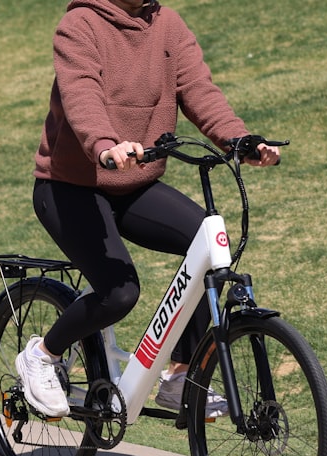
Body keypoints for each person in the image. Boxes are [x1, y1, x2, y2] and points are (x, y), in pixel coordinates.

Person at [16, 0, 280, 418]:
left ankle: (178, 377)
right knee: (119, 292)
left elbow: (198, 90)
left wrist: (238, 140)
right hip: (69, 187)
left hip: (134, 183)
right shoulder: (79, 25)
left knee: (207, 247)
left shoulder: (167, 24)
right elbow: (81, 94)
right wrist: (105, 144)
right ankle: (42, 355)